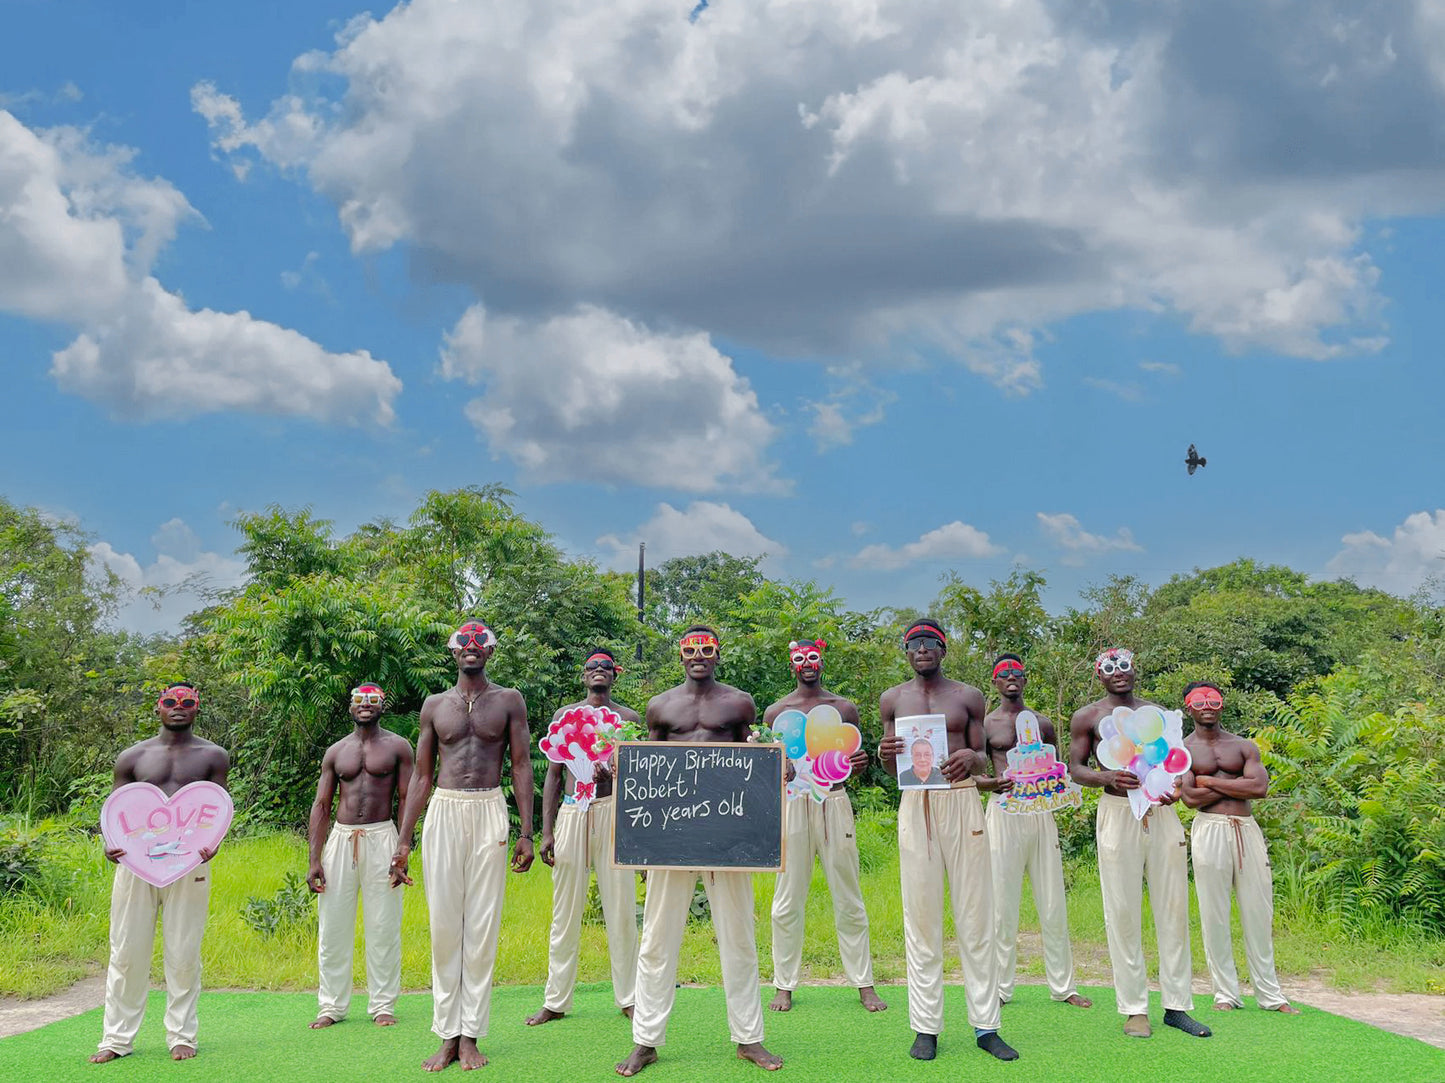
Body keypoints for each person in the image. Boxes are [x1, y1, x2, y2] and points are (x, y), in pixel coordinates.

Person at [616, 626, 781, 1077]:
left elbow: (756, 757)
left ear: (717, 653)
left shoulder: (739, 702)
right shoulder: (661, 706)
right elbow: (645, 768)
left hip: (730, 836)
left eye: (706, 648)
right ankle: (645, 1041)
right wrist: (621, 766)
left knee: (738, 936)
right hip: (672, 835)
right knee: (656, 939)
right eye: (691, 649)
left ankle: (749, 1038)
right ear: (681, 655)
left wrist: (776, 769)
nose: (698, 656)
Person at [391, 621, 535, 1072]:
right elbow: (420, 776)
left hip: (489, 808)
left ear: (491, 651)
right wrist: (402, 840)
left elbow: (521, 764)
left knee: (482, 925)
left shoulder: (509, 700)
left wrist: (528, 832)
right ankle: (446, 1035)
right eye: (463, 643)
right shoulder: (435, 705)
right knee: (444, 924)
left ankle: (471, 1033)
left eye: (480, 643)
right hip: (445, 810)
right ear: (452, 652)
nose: (471, 650)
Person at [878, 620, 1018, 1062]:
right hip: (916, 804)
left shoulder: (968, 696)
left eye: (930, 643)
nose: (922, 649)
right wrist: (886, 756)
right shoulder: (892, 699)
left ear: (943, 649)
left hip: (960, 803)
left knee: (976, 914)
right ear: (905, 651)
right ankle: (925, 1026)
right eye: (914, 643)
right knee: (920, 917)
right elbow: (890, 769)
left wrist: (969, 757)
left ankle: (986, 1024)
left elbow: (981, 757)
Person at [1067, 648, 1210, 1039]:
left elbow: (1176, 764)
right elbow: (1076, 768)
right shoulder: (1088, 716)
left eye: (1125, 665)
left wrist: (1176, 789)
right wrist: (1106, 778)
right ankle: (1134, 1008)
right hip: (1117, 814)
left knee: (1173, 906)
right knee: (1123, 910)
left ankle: (1177, 1005)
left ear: (1135, 669)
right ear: (1099, 675)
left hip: (1161, 814)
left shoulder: (1159, 714)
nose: (1119, 673)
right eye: (1110, 668)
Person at [91, 683, 229, 1064]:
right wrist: (110, 846)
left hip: (189, 864)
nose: (178, 708)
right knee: (126, 951)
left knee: (183, 952)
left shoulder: (213, 756)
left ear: (198, 708)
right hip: (136, 865)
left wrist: (212, 844)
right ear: (158, 708)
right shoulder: (133, 757)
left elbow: (218, 809)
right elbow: (115, 812)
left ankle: (182, 1036)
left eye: (187, 702)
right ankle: (116, 1039)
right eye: (171, 702)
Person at [764, 639, 885, 1014]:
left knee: (848, 894)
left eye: (813, 658)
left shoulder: (843, 708)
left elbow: (852, 756)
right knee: (787, 899)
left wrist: (859, 764)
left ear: (822, 661)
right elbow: (769, 764)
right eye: (799, 659)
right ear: (791, 665)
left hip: (834, 802)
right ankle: (784, 983)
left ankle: (863, 982)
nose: (807, 664)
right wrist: (778, 768)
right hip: (793, 804)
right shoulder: (776, 712)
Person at [527, 649, 641, 1026]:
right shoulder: (564, 716)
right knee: (565, 910)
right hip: (574, 811)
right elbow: (555, 777)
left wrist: (637, 835)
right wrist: (546, 831)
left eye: (605, 667)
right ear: (583, 676)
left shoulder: (628, 720)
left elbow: (640, 780)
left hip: (614, 813)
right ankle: (556, 1000)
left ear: (614, 675)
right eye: (591, 667)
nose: (598, 672)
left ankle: (629, 996)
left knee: (621, 908)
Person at [1180, 682, 1299, 1016]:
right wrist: (1235, 788)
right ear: (1189, 707)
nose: (1207, 705)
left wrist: (1209, 782)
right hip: (1210, 830)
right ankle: (1225, 993)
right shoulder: (1183, 750)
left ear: (1222, 705)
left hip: (1247, 830)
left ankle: (1271, 994)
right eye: (1199, 700)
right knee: (1214, 912)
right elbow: (1189, 799)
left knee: (1258, 911)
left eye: (1213, 699)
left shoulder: (1243, 746)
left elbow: (1259, 787)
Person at [981, 655, 1091, 1010]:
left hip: (1041, 812)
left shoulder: (1042, 723)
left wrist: (1060, 793)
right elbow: (977, 773)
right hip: (1004, 812)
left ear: (1026, 680)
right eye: (1003, 674)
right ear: (995, 682)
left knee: (1053, 900)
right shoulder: (986, 724)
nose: (1011, 678)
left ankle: (1063, 986)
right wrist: (991, 785)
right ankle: (1000, 987)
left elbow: (1056, 768)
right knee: (1001, 904)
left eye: (1017, 673)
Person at [307, 683, 415, 1029]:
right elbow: (322, 804)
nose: (365, 705)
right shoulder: (337, 751)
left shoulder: (398, 747)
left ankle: (383, 1004)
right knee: (333, 927)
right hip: (340, 839)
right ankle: (331, 1006)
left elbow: (406, 799)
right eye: (359, 700)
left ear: (383, 705)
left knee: (383, 925)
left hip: (382, 836)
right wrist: (314, 857)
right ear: (350, 706)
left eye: (372, 700)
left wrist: (403, 846)